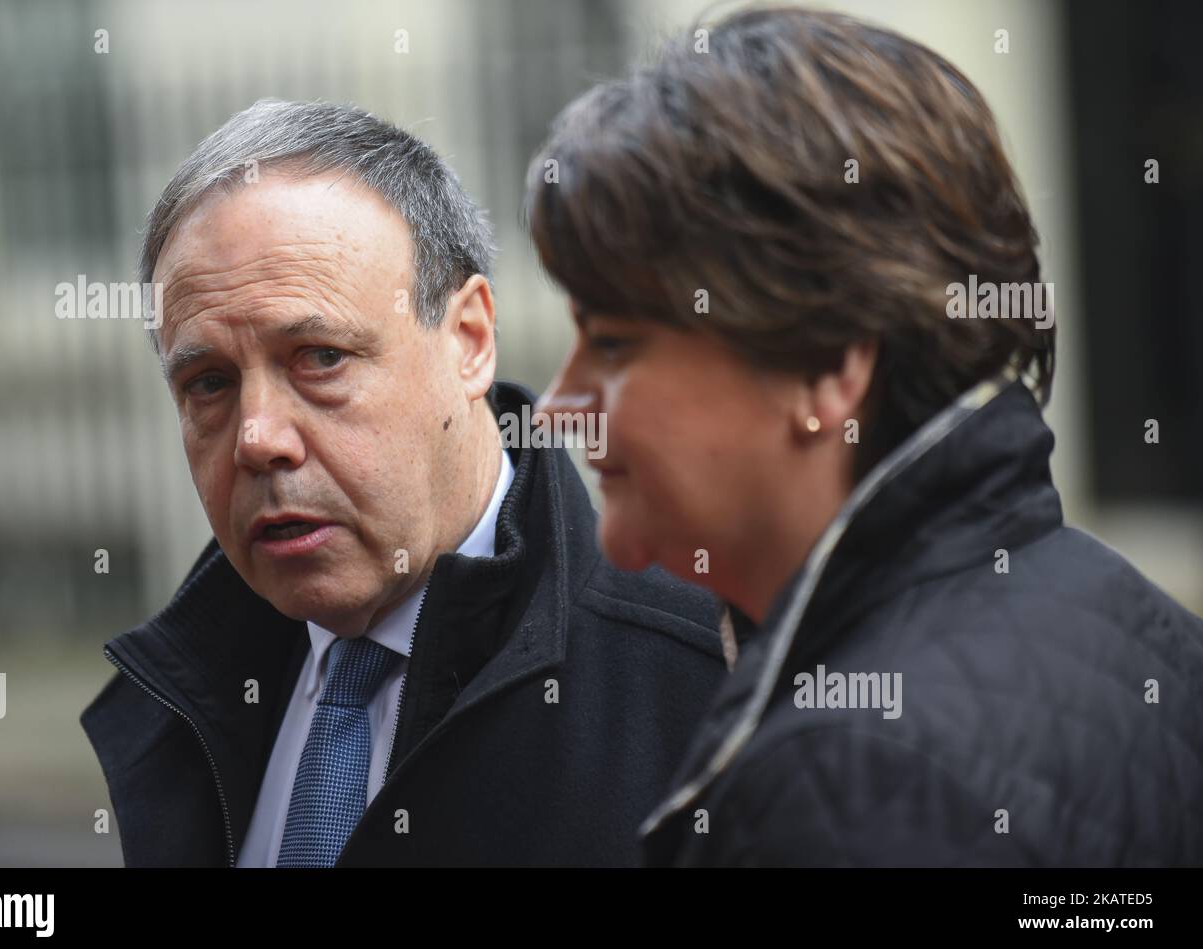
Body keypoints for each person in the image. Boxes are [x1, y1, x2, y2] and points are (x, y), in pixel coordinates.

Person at [527, 7, 1203, 865]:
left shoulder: (851, 775)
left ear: (824, 363)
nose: (556, 406)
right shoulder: (1125, 620)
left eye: (615, 342)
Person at [80, 99, 727, 867]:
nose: (257, 438)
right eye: (210, 383)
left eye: (319, 357)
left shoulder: (705, 688)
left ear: (469, 341)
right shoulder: (189, 692)